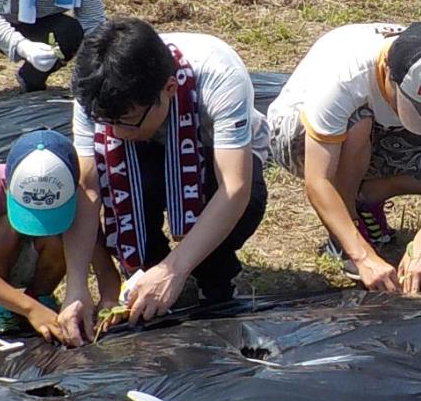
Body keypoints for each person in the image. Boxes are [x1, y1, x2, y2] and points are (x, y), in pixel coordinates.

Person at [58, 19, 270, 341]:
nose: (114, 132)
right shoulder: (96, 90)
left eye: (126, 121)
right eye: (107, 122)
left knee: (243, 204)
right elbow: (88, 188)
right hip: (146, 154)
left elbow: (234, 188)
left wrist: (175, 270)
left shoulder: (219, 74)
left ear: (169, 90)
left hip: (214, 150)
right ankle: (146, 272)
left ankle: (211, 274)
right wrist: (75, 286)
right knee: (122, 176)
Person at [266, 21, 421, 293]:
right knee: (358, 123)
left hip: (379, 132)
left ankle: (366, 196)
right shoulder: (347, 73)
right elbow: (317, 180)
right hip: (299, 134)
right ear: (389, 73)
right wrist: (363, 257)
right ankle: (343, 237)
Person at [0, 129, 107, 340]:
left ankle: (40, 295)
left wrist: (110, 297)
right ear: (8, 187)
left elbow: (98, 254)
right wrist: (31, 310)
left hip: (33, 256)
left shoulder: (77, 193)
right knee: (6, 228)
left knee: (66, 237)